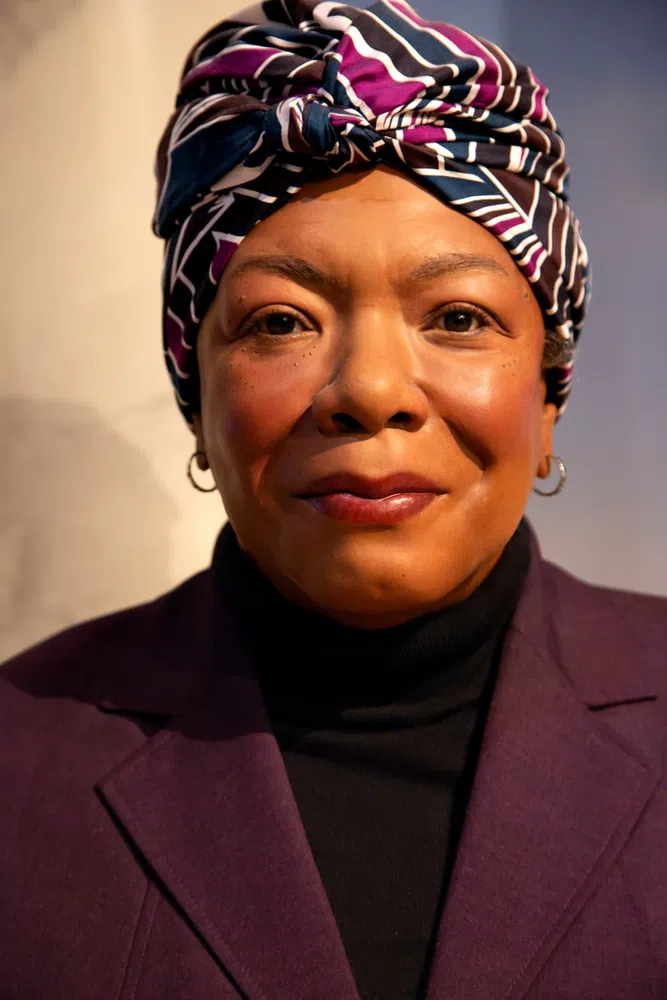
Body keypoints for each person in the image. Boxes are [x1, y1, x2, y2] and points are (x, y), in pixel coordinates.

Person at [1, 1, 666, 998]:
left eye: (457, 317)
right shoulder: (19, 760)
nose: (371, 389)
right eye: (281, 321)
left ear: (547, 395)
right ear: (196, 395)